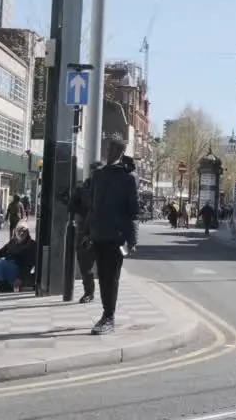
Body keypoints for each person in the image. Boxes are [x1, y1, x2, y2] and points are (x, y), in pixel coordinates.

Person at [85, 135, 139, 335]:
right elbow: (93, 206)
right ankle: (106, 314)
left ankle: (109, 316)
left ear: (121, 153)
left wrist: (132, 240)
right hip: (99, 234)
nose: (109, 153)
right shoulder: (99, 175)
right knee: (102, 277)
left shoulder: (128, 178)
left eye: (114, 150)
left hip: (117, 237)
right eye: (108, 149)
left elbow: (134, 212)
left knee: (111, 278)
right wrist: (87, 232)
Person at [68, 171, 96, 304]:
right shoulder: (82, 189)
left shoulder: (107, 188)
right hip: (84, 230)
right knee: (85, 265)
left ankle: (95, 293)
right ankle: (89, 292)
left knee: (105, 267)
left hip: (101, 231)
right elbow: (71, 206)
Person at [0, 223, 37, 293]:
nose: (21, 233)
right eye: (19, 231)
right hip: (10, 265)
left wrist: (20, 277)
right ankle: (3, 284)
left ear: (27, 232)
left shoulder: (31, 245)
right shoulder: (13, 242)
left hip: (20, 269)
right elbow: (3, 250)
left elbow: (28, 264)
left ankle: (11, 284)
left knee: (2, 265)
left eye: (24, 231)